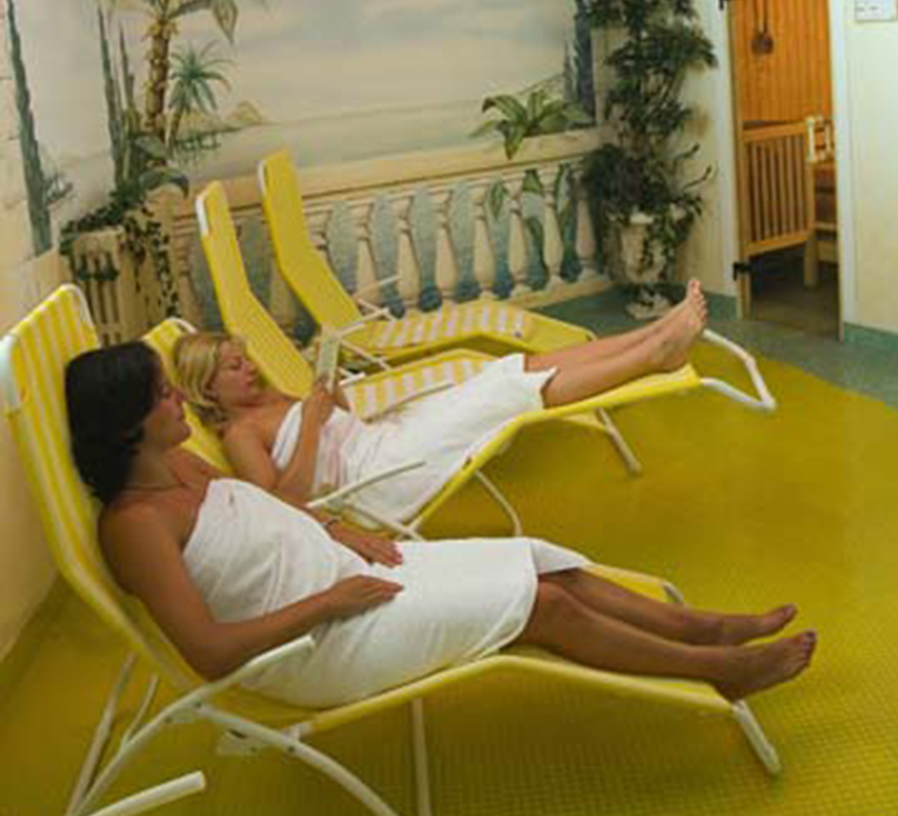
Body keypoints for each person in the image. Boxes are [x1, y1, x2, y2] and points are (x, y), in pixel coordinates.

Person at [65, 340, 817, 708]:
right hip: (317, 643)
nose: (179, 403)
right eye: (163, 396)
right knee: (542, 605)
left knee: (544, 561)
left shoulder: (182, 466)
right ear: (128, 423)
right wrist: (328, 601)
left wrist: (338, 534)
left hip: (347, 574)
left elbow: (269, 512)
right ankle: (722, 673)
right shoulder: (135, 524)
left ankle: (706, 629)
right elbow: (208, 652)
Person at [174, 282, 714, 523]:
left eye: (244, 358)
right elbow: (283, 507)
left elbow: (333, 431)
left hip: (386, 438)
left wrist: (330, 398)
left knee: (506, 369)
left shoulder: (266, 400)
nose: (250, 368)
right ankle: (652, 357)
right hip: (384, 476)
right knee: (510, 394)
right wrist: (313, 423)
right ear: (207, 389)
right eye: (233, 368)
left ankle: (653, 336)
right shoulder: (239, 434)